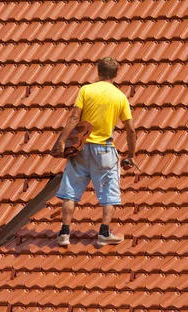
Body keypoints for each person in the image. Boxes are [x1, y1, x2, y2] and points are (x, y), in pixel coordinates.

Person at [55, 57, 136, 247]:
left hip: (81, 148)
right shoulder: (119, 97)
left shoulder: (86, 90)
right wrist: (131, 155)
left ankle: (65, 233)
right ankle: (104, 233)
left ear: (97, 71)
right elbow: (130, 129)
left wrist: (62, 140)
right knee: (109, 191)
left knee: (70, 191)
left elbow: (74, 118)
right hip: (105, 149)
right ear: (116, 74)